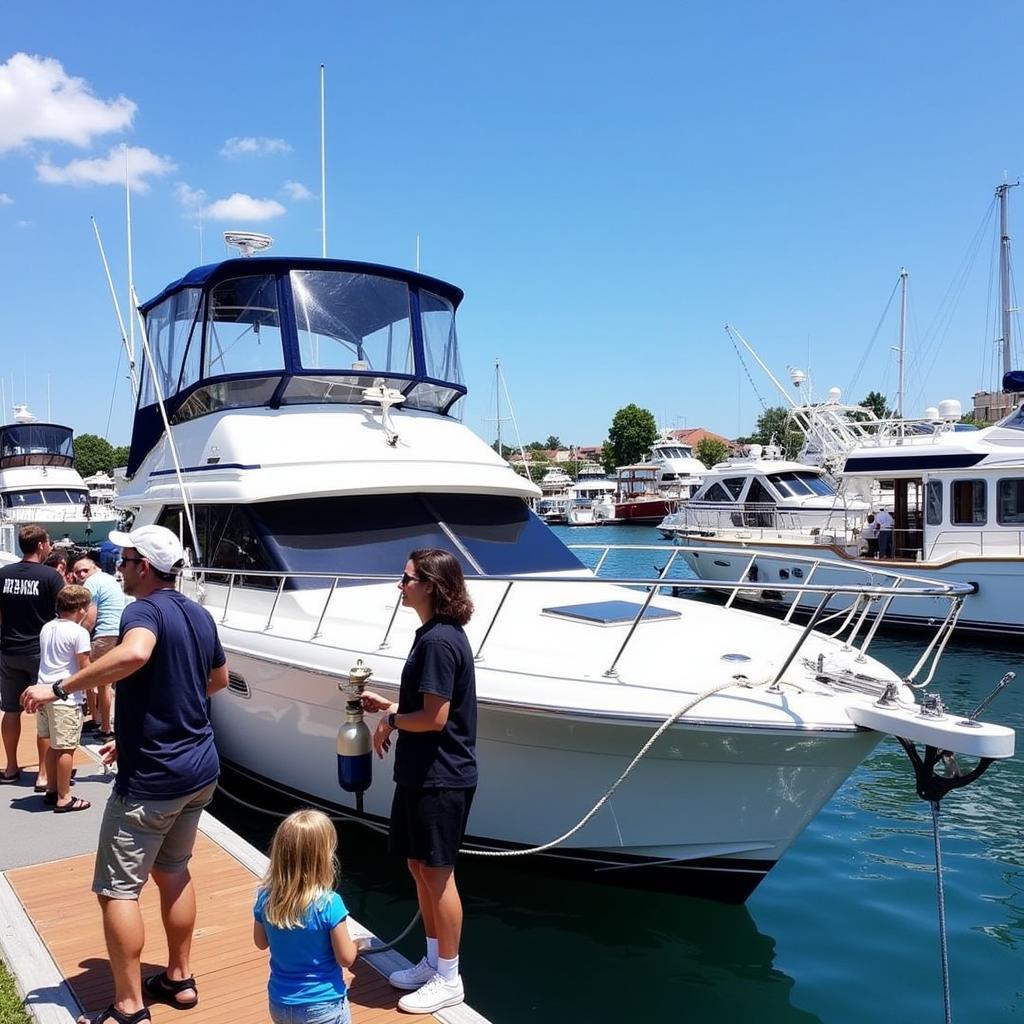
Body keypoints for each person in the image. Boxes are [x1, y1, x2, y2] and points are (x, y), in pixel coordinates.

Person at [22, 524, 229, 1024]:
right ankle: (179, 978)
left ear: (145, 567)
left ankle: (129, 1005)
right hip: (199, 768)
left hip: (154, 780)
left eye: (127, 557)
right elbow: (216, 681)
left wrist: (60, 686)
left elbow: (135, 653)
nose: (120, 564)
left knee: (117, 890)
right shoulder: (198, 612)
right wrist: (143, 727)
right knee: (174, 870)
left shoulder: (145, 609)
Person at [361, 548, 477, 1014]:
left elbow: (434, 718)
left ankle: (450, 975)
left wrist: (390, 714)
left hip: (441, 778)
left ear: (430, 585)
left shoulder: (439, 642)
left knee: (438, 874)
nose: (400, 584)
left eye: (407, 578)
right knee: (417, 867)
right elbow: (424, 710)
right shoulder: (429, 635)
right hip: (419, 773)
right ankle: (432, 962)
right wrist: (389, 708)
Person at [253, 809, 360, 1024]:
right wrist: (357, 944)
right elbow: (346, 958)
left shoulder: (266, 898)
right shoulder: (330, 904)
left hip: (280, 1002)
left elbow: (260, 943)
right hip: (323, 1005)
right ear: (324, 857)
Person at [1, 524, 63, 788]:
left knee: (10, 710)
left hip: (8, 650)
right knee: (46, 713)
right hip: (40, 652)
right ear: (40, 546)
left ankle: (11, 767)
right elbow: (64, 612)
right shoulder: (50, 577)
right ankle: (43, 774)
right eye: (47, 542)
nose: (49, 546)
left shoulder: (3, 575)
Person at [36, 584, 92, 812]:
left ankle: (51, 789)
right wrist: (90, 697)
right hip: (65, 698)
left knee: (51, 744)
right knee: (66, 748)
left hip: (43, 692)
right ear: (80, 609)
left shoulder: (47, 627)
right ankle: (64, 796)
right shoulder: (80, 633)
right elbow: (85, 668)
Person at [71, 552, 126, 740]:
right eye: (77, 573)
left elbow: (90, 619)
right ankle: (97, 720)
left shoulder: (92, 583)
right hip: (117, 632)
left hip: (104, 634)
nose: (81, 575)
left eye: (84, 570)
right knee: (101, 680)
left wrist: (75, 636)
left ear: (95, 568)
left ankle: (103, 727)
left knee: (94, 677)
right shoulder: (109, 579)